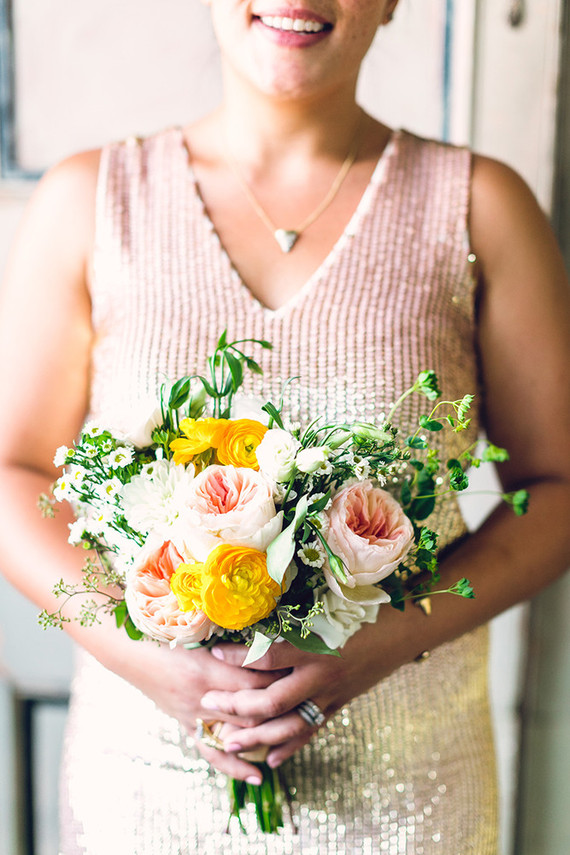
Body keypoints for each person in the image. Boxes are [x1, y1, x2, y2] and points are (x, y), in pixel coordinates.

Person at [1, 1, 570, 852]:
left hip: (408, 787)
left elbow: (557, 488)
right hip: (143, 788)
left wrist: (384, 641)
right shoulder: (91, 200)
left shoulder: (482, 206)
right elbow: (13, 472)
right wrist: (155, 663)